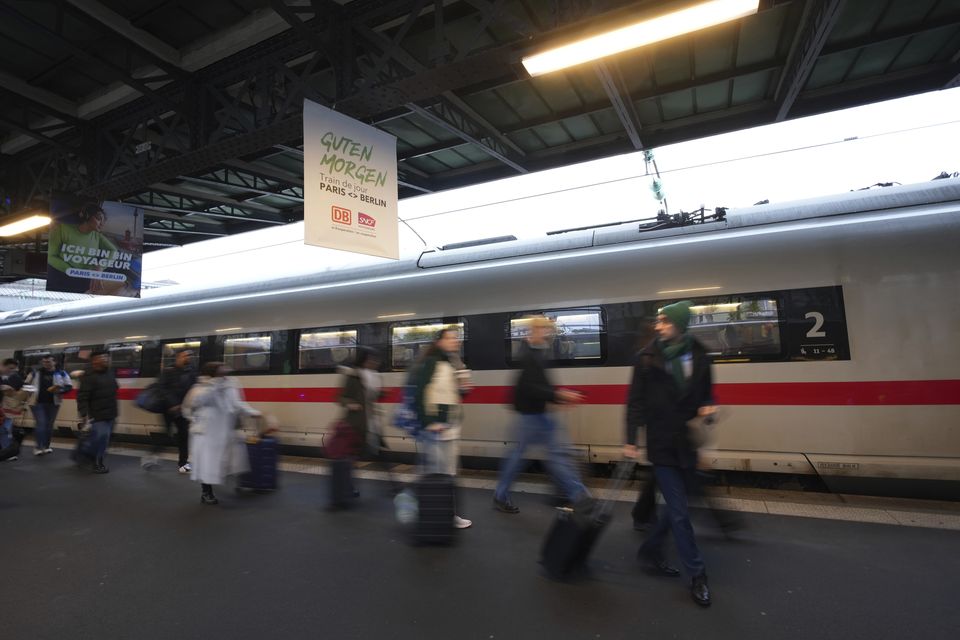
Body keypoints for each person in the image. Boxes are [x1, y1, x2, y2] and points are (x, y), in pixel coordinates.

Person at [623, 301, 716, 607]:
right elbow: (635, 401)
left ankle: (649, 553)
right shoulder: (647, 359)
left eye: (664, 321)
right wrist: (631, 439)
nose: (658, 326)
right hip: (662, 444)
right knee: (679, 511)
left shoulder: (700, 355)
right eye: (658, 322)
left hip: (687, 443)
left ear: (679, 323)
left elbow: (707, 394)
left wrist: (708, 410)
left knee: (676, 511)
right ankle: (698, 576)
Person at [493, 317, 590, 514]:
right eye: (543, 329)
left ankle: (579, 496)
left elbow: (541, 384)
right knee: (550, 455)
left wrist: (559, 398)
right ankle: (580, 497)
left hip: (537, 413)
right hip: (530, 415)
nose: (546, 333)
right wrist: (558, 395)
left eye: (547, 329)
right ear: (534, 330)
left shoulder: (537, 351)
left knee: (529, 455)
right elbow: (530, 386)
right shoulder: (529, 354)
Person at [413, 328, 473, 529]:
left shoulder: (453, 364)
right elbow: (420, 393)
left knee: (447, 474)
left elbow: (454, 396)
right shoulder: (431, 363)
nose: (455, 341)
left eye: (456, 338)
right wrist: (429, 421)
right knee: (437, 474)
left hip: (451, 427)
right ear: (439, 342)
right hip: (436, 430)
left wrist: (463, 389)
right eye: (450, 338)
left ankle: (443, 514)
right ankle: (433, 515)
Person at [183, 362, 261, 505]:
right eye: (221, 369)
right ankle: (206, 492)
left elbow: (237, 403)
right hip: (207, 431)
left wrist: (252, 412)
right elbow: (197, 402)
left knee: (231, 458)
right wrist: (214, 386)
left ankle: (240, 483)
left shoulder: (232, 384)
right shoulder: (201, 386)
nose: (226, 371)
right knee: (207, 462)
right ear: (213, 372)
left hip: (225, 429)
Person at [46, 202, 121, 294]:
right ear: (87, 216)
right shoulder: (62, 229)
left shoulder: (97, 236)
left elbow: (114, 251)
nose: (102, 223)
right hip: (62, 278)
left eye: (103, 220)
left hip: (86, 281)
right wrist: (70, 270)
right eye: (98, 219)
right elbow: (51, 256)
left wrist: (101, 266)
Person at [151, 349, 197, 473]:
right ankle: (153, 456)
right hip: (169, 409)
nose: (188, 358)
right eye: (185, 355)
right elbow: (161, 389)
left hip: (183, 409)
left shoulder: (191, 372)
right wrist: (172, 404)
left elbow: (194, 388)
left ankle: (183, 463)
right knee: (167, 434)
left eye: (190, 355)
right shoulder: (168, 371)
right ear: (178, 357)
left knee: (184, 436)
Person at [76, 350, 118, 474]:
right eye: (102, 357)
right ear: (94, 361)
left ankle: (83, 457)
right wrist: (84, 414)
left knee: (102, 438)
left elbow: (115, 388)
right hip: (97, 414)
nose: (105, 359)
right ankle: (97, 463)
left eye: (106, 357)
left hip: (111, 413)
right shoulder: (88, 377)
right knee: (102, 438)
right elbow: (82, 397)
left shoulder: (110, 373)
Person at [26, 356, 73, 456]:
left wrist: (60, 390)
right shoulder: (35, 373)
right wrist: (30, 391)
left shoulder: (61, 372)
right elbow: (25, 384)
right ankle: (38, 447)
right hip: (37, 402)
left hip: (54, 403)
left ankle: (46, 446)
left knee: (49, 425)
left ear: (54, 362)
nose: (46, 364)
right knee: (41, 423)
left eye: (48, 362)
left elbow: (69, 386)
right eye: (44, 362)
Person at [0, 358, 26, 458]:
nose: (10, 371)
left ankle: (6, 452)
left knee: (4, 430)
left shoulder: (4, 377)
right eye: (10, 368)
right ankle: (6, 452)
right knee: (4, 430)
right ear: (2, 365)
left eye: (13, 370)